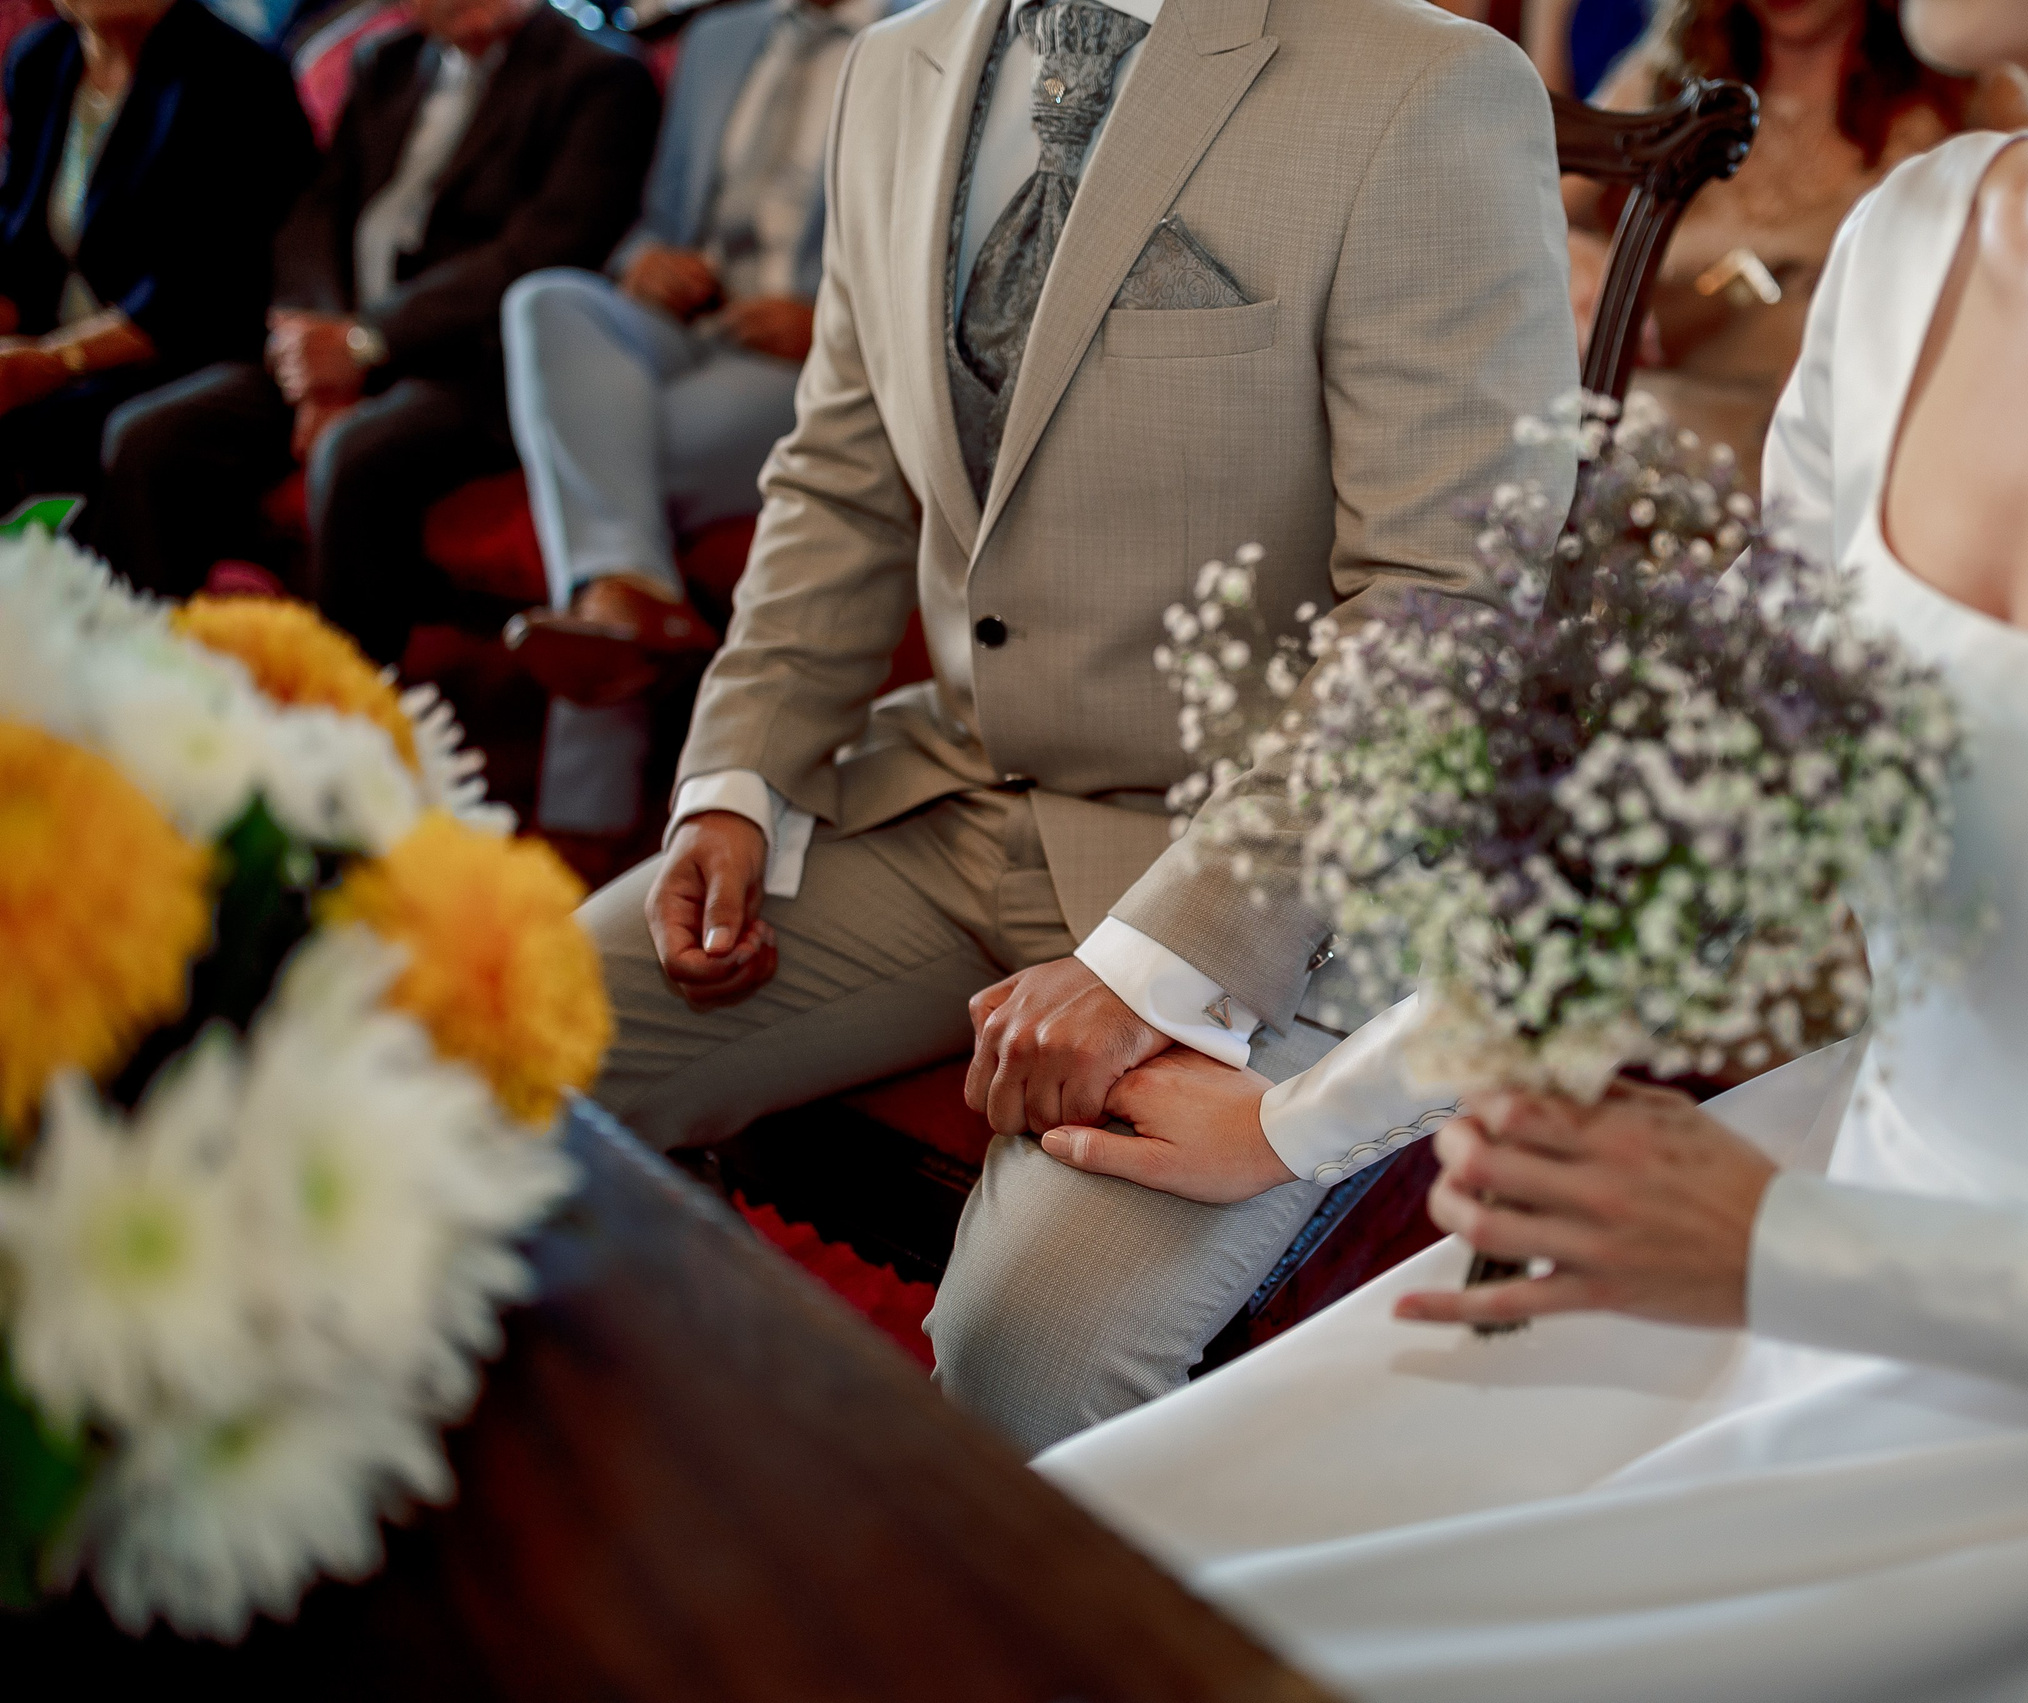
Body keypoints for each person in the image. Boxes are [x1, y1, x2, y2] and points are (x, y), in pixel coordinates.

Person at [1032, 1, 2028, 1697]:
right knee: (1059, 1569)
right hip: (1790, 1219)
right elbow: (1740, 823)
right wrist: (1313, 1119)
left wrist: (1783, 1250)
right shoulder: (1922, 244)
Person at [576, 0, 1578, 1452]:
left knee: (1025, 1349)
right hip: (960, 789)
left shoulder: (1426, 86)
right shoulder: (896, 65)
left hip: (1279, 875)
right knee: (495, 1052)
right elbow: (843, 475)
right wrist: (740, 776)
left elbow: (1448, 601)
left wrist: (1163, 960)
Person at [89, 0, 659, 663]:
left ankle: (348, 728)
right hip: (343, 346)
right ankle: (148, 693)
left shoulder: (600, 74)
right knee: (148, 438)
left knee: (356, 456)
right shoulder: (386, 61)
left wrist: (368, 343)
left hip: (475, 363)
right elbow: (313, 216)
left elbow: (541, 252)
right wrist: (318, 353)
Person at [497, 0, 882, 847]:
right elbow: (656, 216)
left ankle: (581, 811)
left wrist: (829, 319)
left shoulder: (936, 37)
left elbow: (957, 253)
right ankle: (635, 602)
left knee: (615, 458)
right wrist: (644, 259)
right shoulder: (718, 36)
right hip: (686, 323)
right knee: (547, 300)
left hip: (810, 356)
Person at [1567, 0, 2020, 490]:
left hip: (1834, 447)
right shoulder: (1671, 74)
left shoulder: (1965, 88)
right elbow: (1530, 200)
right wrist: (1572, 255)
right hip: (1642, 428)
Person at [0, 0, 314, 510]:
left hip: (192, 352)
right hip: (61, 346)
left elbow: (199, 291)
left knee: (51, 427)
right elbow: (17, 249)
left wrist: (53, 361)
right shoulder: (42, 58)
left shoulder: (238, 76)